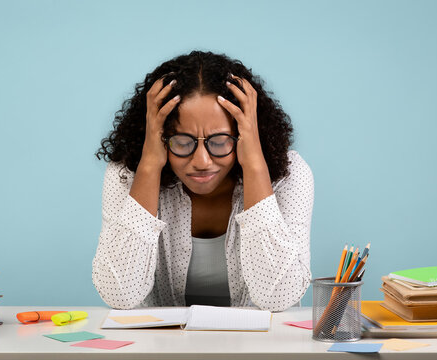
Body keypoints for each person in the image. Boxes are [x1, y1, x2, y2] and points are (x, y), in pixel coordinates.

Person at [93, 51, 313, 312]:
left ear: (246, 135)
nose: (202, 161)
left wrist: (254, 164)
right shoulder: (127, 175)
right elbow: (119, 294)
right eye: (182, 142)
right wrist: (149, 165)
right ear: (157, 137)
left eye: (219, 142)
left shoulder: (288, 174)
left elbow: (280, 296)